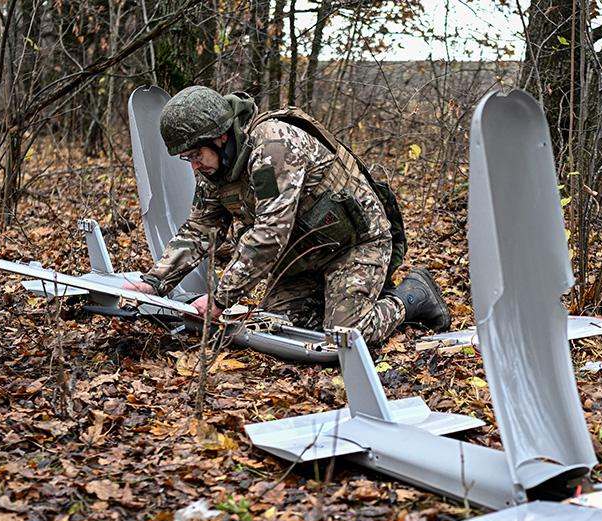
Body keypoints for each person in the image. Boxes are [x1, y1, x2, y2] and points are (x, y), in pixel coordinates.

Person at [122, 85, 450, 344]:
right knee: (275, 328)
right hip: (302, 258)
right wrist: (154, 283)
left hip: (355, 245)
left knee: (345, 337)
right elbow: (199, 230)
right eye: (186, 158)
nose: (194, 166)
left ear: (221, 137)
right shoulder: (216, 169)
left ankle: (413, 295)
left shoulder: (272, 147)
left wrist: (221, 299)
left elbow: (269, 234)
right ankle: (340, 296)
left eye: (196, 154)